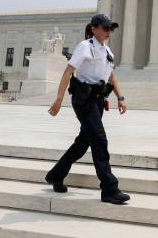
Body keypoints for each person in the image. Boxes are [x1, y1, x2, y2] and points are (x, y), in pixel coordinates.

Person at [45, 14, 130, 204]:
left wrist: (120, 97)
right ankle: (109, 188)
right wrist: (58, 100)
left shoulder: (107, 51)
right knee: (99, 140)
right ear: (94, 29)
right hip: (84, 100)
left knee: (83, 143)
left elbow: (111, 77)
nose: (108, 32)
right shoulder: (85, 47)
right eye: (105, 28)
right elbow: (68, 71)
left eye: (111, 29)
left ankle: (56, 175)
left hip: (98, 101)